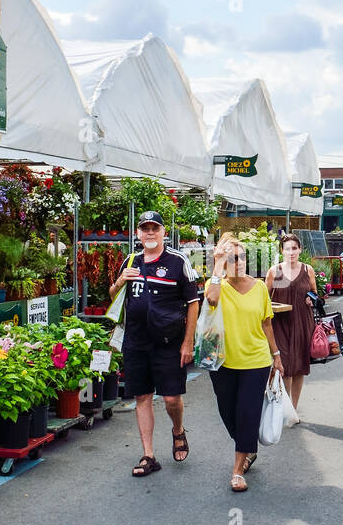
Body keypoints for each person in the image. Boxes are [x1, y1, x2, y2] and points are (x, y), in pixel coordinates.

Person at [108, 211, 200, 478]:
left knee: (172, 398)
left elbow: (193, 303)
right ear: (138, 234)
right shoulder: (131, 260)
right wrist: (120, 281)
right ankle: (148, 455)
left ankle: (177, 429)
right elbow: (113, 296)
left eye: (154, 228)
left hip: (169, 343)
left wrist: (188, 342)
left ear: (163, 232)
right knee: (142, 397)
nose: (150, 233)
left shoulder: (177, 261)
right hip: (136, 341)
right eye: (145, 229)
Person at [206, 234, 283, 492]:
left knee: (247, 412)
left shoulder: (260, 287)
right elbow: (211, 299)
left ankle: (238, 469)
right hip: (223, 362)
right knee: (228, 413)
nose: (238, 262)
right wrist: (218, 265)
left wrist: (276, 356)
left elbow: (267, 323)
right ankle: (247, 446)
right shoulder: (217, 284)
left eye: (241, 257)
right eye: (232, 258)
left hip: (255, 360)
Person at [267, 233, 316, 420]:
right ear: (282, 251)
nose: (291, 252)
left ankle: (293, 409)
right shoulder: (274, 271)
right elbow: (264, 298)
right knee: (285, 365)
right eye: (287, 248)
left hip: (303, 321)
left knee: (300, 365)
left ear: (300, 249)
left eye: (294, 248)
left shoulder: (308, 270)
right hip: (280, 323)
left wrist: (311, 300)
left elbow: (314, 294)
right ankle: (285, 408)